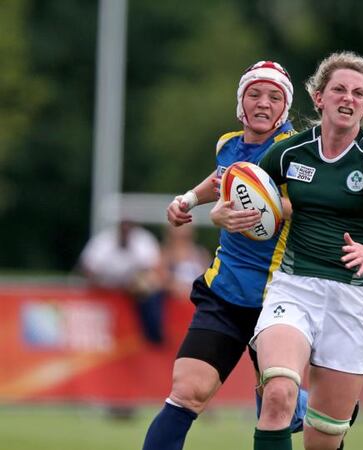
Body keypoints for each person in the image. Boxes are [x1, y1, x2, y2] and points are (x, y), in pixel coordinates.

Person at [249, 51, 363, 450]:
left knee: (324, 438)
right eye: (339, 90)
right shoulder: (289, 152)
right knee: (278, 394)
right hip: (294, 289)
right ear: (319, 97)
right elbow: (246, 198)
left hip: (351, 299)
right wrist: (222, 213)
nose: (348, 98)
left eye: (358, 93)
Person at [142, 60, 308, 450]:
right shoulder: (227, 143)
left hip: (278, 301)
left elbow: (304, 203)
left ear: (285, 107)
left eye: (274, 96)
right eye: (254, 94)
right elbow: (221, 179)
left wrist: (238, 209)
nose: (263, 103)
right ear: (241, 101)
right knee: (186, 392)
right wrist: (189, 200)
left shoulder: (295, 150)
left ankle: (304, 403)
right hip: (225, 294)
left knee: (278, 404)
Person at [79, 219, 167, 346]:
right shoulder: (103, 241)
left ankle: (152, 333)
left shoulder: (143, 241)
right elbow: (88, 268)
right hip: (104, 287)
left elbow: (154, 270)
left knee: (149, 287)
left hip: (134, 285)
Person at [161, 223, 211, 300]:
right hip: (175, 299)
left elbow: (209, 277)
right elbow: (162, 279)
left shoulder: (201, 253)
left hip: (198, 298)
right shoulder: (166, 254)